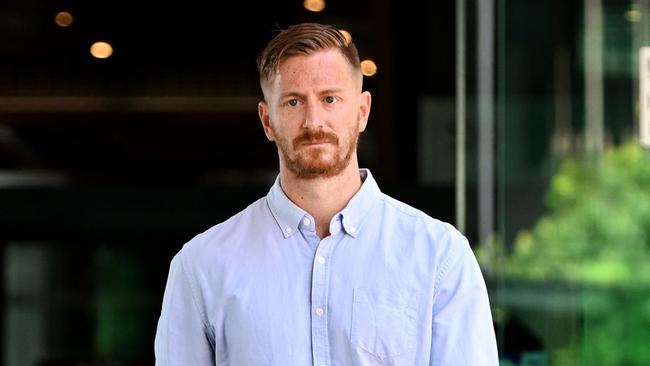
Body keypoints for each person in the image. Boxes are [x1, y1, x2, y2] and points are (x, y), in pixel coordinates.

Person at [154, 22, 498, 365]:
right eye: (293, 102)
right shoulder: (201, 266)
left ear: (362, 111)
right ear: (267, 120)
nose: (313, 121)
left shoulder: (439, 256)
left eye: (330, 99)